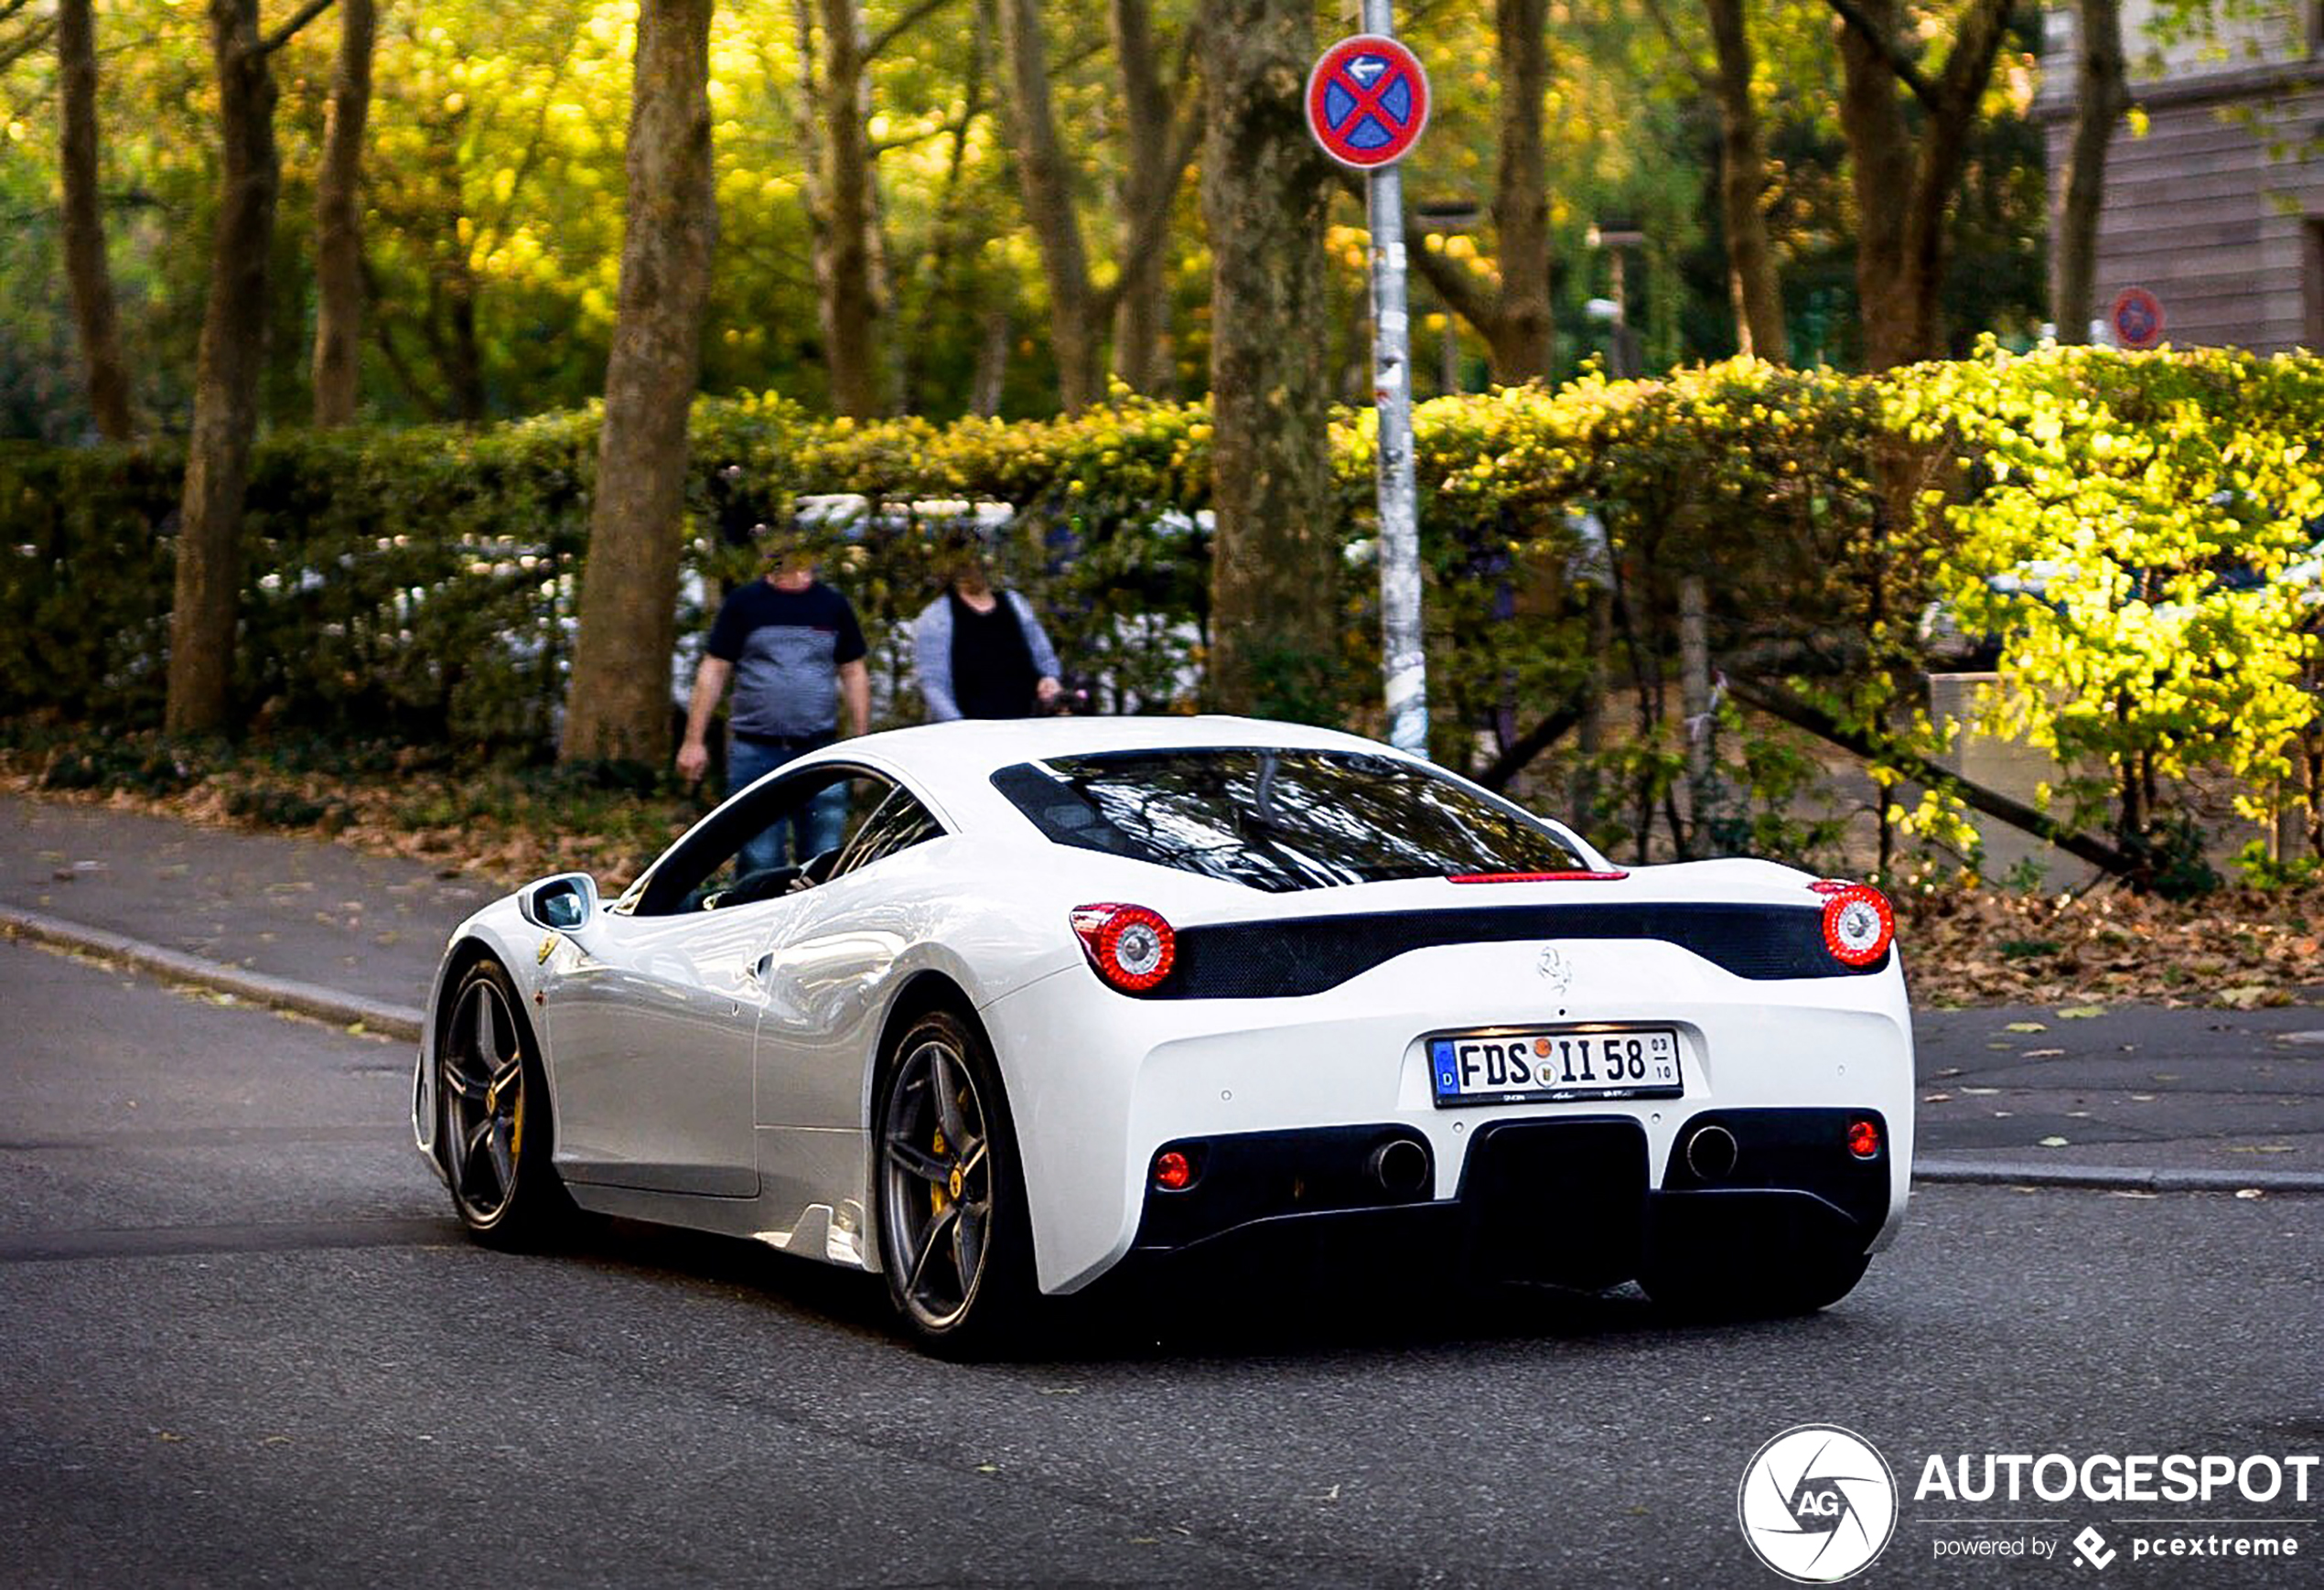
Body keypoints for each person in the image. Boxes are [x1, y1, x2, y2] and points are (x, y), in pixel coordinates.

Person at [676, 534, 870, 872]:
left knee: (824, 856)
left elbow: (853, 671)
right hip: (756, 749)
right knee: (759, 858)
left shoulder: (832, 605)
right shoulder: (745, 604)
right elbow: (714, 668)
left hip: (820, 749)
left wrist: (862, 739)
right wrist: (693, 741)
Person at [910, 532, 1062, 720]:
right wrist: (958, 726)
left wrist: (1049, 680)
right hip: (971, 731)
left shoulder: (1016, 604)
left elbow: (1044, 659)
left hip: (1028, 724)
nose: (973, 570)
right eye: (964, 565)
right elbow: (934, 684)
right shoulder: (936, 618)